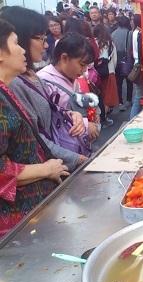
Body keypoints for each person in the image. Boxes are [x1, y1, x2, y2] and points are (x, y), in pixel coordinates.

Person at [0, 19, 69, 237]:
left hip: (35, 210)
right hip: (17, 224)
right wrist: (46, 169)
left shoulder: (5, 90)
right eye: (16, 43)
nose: (22, 50)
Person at [1, 6, 88, 172]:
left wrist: (70, 114)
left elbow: (50, 111)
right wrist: (75, 159)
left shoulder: (32, 75)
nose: (46, 45)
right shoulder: (12, 84)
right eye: (41, 38)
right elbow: (34, 136)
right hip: (46, 169)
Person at [38, 33, 100, 143]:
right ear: (64, 58)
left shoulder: (71, 77)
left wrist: (93, 113)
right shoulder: (44, 82)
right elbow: (48, 124)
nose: (84, 70)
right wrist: (86, 126)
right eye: (81, 64)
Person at [94, 23, 118, 126]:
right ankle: (104, 118)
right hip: (109, 72)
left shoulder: (94, 43)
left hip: (96, 74)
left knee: (100, 96)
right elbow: (115, 59)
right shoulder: (110, 43)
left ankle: (100, 117)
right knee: (107, 97)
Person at [112, 15, 133, 111]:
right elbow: (131, 48)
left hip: (116, 62)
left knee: (118, 83)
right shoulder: (130, 33)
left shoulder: (113, 34)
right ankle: (128, 100)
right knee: (129, 81)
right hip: (127, 61)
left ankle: (120, 101)